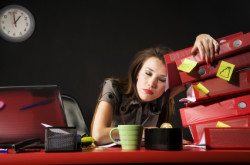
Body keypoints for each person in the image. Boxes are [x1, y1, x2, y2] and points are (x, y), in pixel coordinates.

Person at [91, 34, 219, 145]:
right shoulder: (113, 88)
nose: (152, 84)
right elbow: (98, 135)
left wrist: (201, 38)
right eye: (148, 73)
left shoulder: (162, 95)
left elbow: (202, 71)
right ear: (137, 73)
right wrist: (151, 132)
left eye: (162, 80)